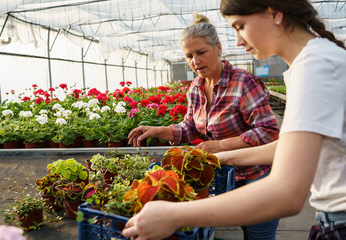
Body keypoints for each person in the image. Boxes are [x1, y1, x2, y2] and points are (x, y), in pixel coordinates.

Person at [122, 0, 346, 239]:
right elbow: (289, 147)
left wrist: (176, 214)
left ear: (275, 14)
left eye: (240, 26)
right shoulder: (311, 62)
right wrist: (217, 157)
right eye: (189, 55)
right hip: (330, 216)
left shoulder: (314, 66)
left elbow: (287, 193)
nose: (238, 41)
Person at [128, 13, 280, 239]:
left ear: (218, 48)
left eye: (201, 52)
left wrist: (220, 146)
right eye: (189, 56)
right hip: (222, 177)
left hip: (255, 178)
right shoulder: (196, 88)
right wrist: (158, 131)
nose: (195, 61)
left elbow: (268, 132)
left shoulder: (243, 82)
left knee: (259, 236)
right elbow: (189, 127)